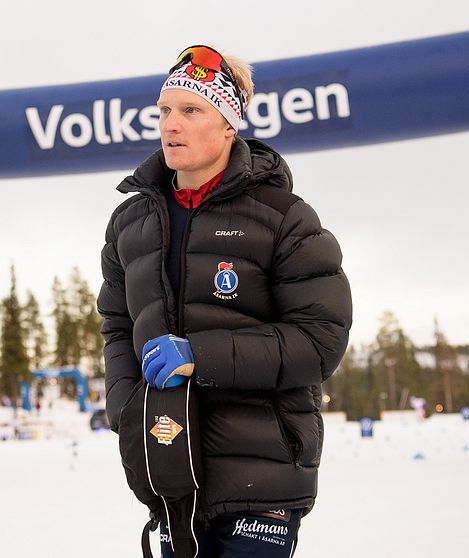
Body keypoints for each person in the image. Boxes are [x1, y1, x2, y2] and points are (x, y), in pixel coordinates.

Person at [98, 45, 352, 557]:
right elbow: (117, 328)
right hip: (170, 466)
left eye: (191, 111)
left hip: (263, 476)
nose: (172, 125)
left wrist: (200, 355)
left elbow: (321, 340)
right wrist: (126, 407)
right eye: (165, 110)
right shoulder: (130, 224)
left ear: (229, 124)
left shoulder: (285, 218)